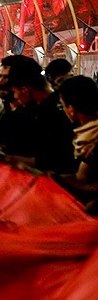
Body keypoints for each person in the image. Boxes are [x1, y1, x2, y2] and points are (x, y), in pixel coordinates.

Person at [56, 75, 98, 211]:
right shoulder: (86, 136)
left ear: (72, 109)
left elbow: (82, 180)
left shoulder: (93, 141)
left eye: (63, 106)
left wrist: (54, 178)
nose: (64, 111)